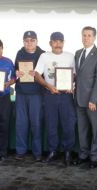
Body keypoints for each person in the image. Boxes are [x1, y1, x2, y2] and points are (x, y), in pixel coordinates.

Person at [35, 32, 76, 166]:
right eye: (55, 41)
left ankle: (67, 152)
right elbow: (36, 74)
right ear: (50, 43)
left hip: (66, 96)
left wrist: (72, 85)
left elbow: (75, 75)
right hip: (50, 95)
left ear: (63, 42)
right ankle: (53, 151)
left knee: (68, 125)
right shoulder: (44, 56)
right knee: (51, 124)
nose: (58, 44)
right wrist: (48, 86)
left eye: (60, 41)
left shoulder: (70, 56)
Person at [73, 26, 97, 169]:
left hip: (93, 100)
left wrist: (93, 99)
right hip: (79, 98)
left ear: (94, 37)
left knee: (96, 130)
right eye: (84, 35)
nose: (86, 38)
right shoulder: (78, 53)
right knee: (82, 129)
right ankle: (83, 154)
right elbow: (76, 75)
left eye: (89, 35)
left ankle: (95, 156)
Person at [14, 31, 45, 162]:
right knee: (21, 123)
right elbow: (15, 70)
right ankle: (21, 151)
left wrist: (37, 75)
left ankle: (37, 152)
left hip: (36, 94)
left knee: (36, 123)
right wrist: (17, 72)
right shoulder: (19, 53)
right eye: (26, 40)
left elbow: (47, 75)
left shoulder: (43, 54)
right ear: (23, 41)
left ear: (37, 41)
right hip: (21, 93)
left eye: (32, 40)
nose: (29, 43)